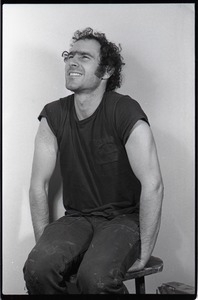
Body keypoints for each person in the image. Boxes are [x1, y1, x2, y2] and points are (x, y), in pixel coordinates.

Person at [23, 27, 164, 294]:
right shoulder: (52, 115)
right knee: (37, 269)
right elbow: (37, 186)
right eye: (69, 55)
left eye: (84, 57)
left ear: (107, 71)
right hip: (77, 217)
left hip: (123, 219)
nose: (72, 61)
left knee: (96, 279)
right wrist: (45, 250)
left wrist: (145, 253)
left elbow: (153, 184)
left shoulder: (124, 110)